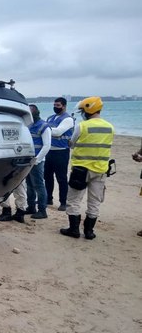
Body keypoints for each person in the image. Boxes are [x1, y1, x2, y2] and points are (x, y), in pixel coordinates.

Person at [60, 96, 114, 240]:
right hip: (100, 170)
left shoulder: (82, 126)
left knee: (73, 200)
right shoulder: (110, 127)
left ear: (88, 110)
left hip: (80, 170)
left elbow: (71, 143)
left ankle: (74, 229)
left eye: (83, 110)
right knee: (95, 201)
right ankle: (89, 231)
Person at [44, 97, 74, 211]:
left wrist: (45, 129)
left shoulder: (68, 119)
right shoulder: (51, 117)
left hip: (61, 151)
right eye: (54, 105)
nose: (55, 107)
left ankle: (63, 202)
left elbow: (57, 132)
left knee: (61, 178)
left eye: (58, 105)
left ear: (64, 106)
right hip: (49, 151)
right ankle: (48, 198)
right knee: (47, 177)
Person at [26, 104, 52, 219]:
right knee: (30, 185)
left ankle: (42, 210)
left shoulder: (44, 126)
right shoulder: (29, 125)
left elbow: (47, 146)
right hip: (28, 160)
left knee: (39, 185)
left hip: (37, 161)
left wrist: (37, 159)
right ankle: (31, 207)